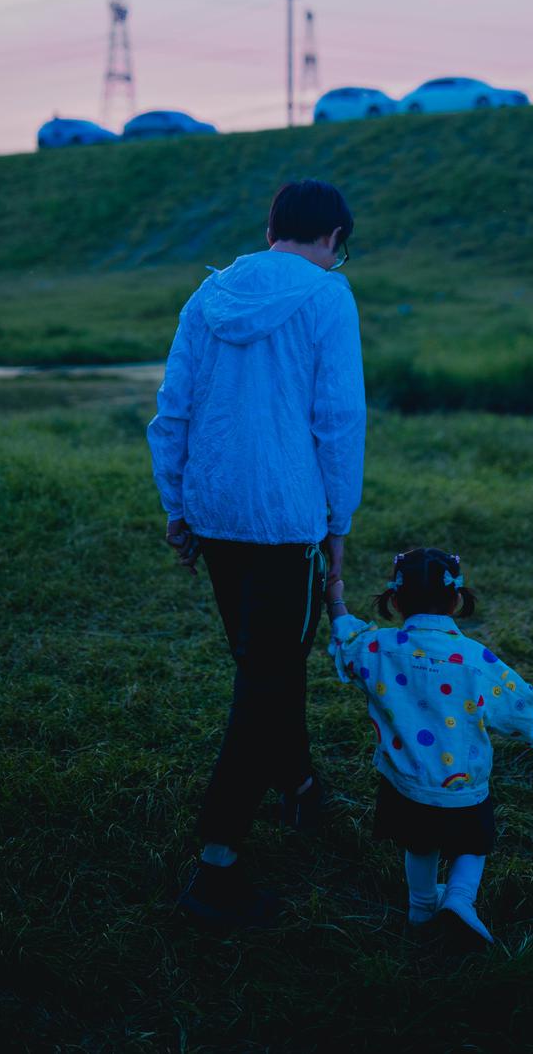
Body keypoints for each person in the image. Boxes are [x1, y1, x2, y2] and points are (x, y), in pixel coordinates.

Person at [148, 178, 367, 928]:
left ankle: (299, 787)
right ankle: (218, 865)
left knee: (266, 665)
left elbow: (173, 410)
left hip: (215, 510)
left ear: (271, 229)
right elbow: (338, 419)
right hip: (284, 518)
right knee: (266, 678)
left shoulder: (209, 294)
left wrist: (178, 506)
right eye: (341, 246)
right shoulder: (328, 295)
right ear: (333, 237)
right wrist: (339, 522)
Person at [326, 547, 533, 950]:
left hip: (406, 785)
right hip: (462, 786)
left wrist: (336, 600)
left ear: (396, 600)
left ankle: (420, 909)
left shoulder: (379, 649)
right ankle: (460, 899)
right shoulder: (475, 659)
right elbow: (522, 708)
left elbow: (348, 641)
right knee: (473, 845)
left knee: (420, 845)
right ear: (456, 599)